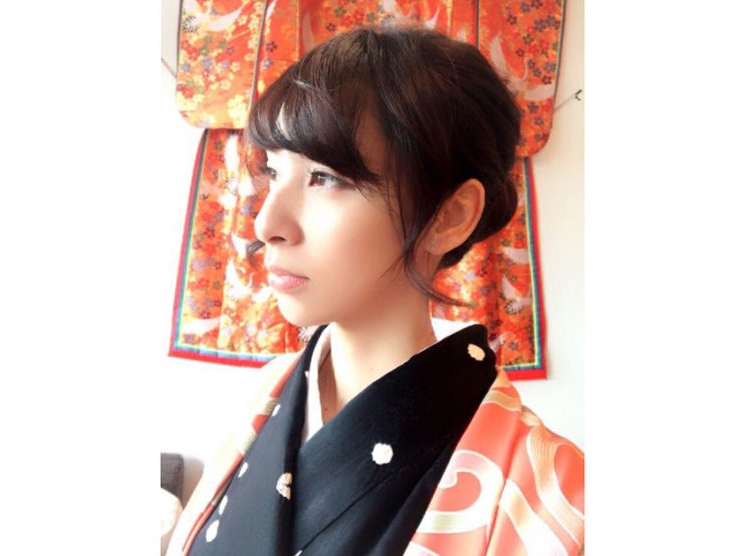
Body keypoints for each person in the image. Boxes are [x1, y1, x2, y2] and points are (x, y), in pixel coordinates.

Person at [167, 24, 584, 556]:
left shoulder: (556, 497)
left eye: (324, 177)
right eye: (273, 172)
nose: (267, 223)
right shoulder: (266, 392)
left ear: (449, 216)